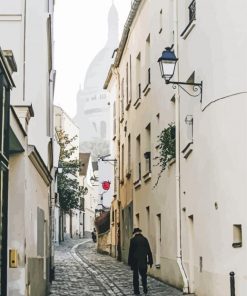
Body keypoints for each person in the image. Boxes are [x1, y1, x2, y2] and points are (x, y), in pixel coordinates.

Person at [128, 228, 153, 295]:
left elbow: (131, 252)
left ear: (135, 233)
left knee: (135, 277)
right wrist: (150, 261)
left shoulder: (133, 240)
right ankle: (145, 289)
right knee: (144, 276)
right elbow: (149, 251)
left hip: (135, 261)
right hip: (143, 260)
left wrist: (130, 262)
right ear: (140, 232)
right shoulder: (145, 239)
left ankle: (137, 291)